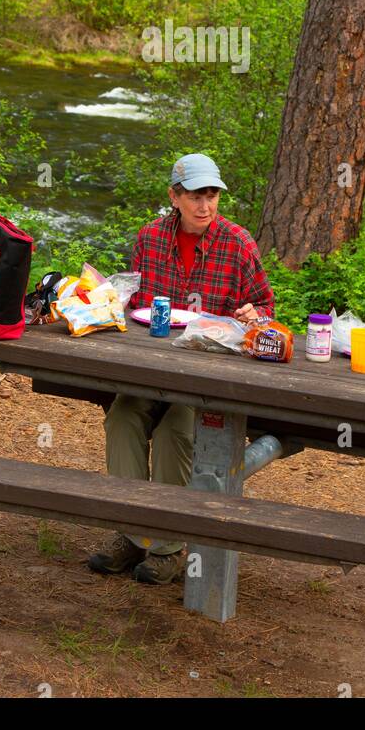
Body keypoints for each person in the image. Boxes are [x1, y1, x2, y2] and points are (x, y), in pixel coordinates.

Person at [87, 153, 275, 585]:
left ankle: (167, 547)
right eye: (195, 195)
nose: (205, 205)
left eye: (211, 195)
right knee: (121, 418)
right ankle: (133, 536)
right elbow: (131, 300)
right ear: (174, 197)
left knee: (175, 429)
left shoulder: (238, 242)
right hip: (151, 369)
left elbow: (265, 306)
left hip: (207, 377)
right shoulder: (150, 237)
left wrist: (253, 315)